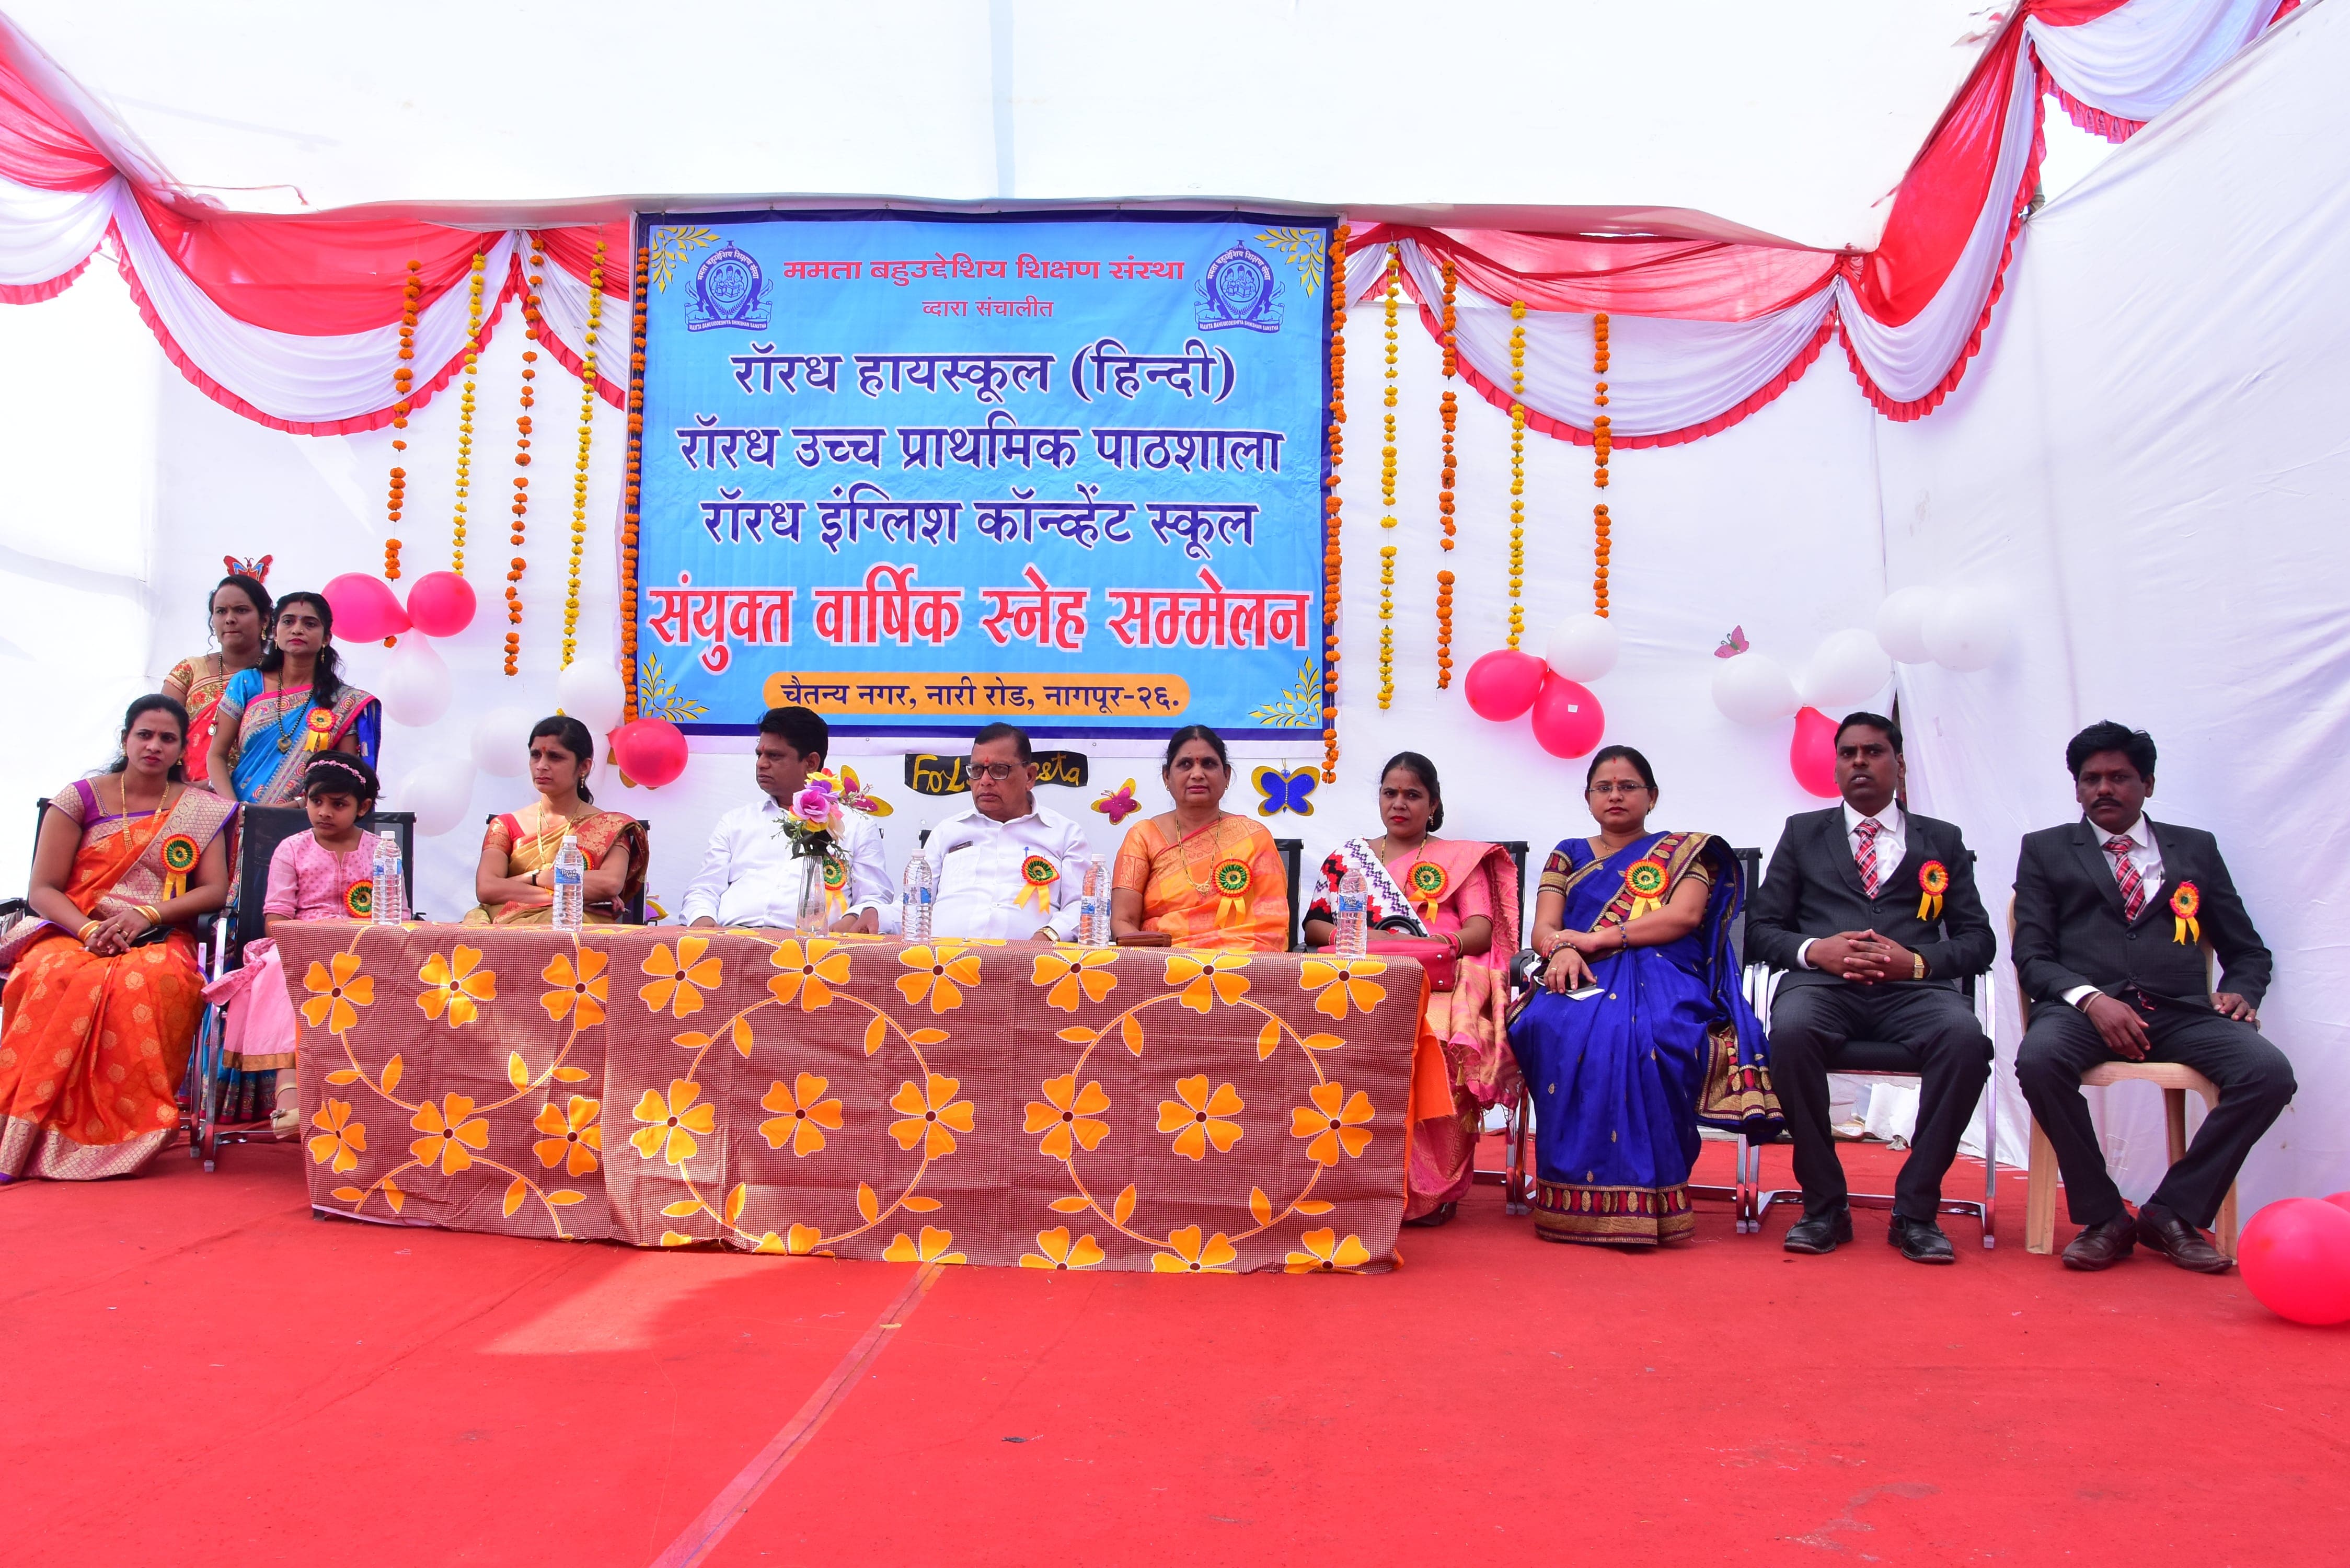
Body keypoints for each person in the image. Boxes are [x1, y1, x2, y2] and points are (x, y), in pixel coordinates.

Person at [2013, 722, 2293, 1274]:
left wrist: (2240, 992)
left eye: (2119, 777)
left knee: (2268, 1074)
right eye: (2090, 779)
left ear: (2148, 783)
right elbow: (2032, 956)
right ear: (2076, 788)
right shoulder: (2045, 849)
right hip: (2082, 1013)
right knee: (2039, 1060)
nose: (2103, 789)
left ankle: (2171, 1213)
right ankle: (2104, 1218)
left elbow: (2246, 949)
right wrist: (2091, 1000)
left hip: (2181, 1012)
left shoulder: (2195, 849)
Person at [1746, 710, 1997, 1264]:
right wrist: (1816, 951)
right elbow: (1762, 929)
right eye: (1848, 753)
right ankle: (1823, 1205)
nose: (1859, 762)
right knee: (1788, 1035)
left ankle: (1916, 1210)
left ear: (1899, 764)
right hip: (1822, 989)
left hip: (1915, 994)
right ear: (1836, 766)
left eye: (1874, 752)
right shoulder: (1802, 832)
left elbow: (1979, 941)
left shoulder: (1942, 839)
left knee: (1965, 1042)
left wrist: (1916, 963)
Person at [1505, 745, 1780, 1246]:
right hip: (1578, 969)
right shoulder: (1568, 852)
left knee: (1652, 1033)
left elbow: (1685, 916)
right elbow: (1544, 926)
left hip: (1665, 971)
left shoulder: (1683, 851)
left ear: (1652, 797)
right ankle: (1568, 1197)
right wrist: (1561, 948)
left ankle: (1653, 1197)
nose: (1616, 796)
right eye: (1604, 788)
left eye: (1628, 786)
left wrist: (1595, 940)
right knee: (1550, 1023)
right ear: (1588, 797)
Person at [0, 695, 234, 1182]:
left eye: (167, 738)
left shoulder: (202, 810)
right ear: (126, 738)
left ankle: (120, 1130)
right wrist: (89, 930)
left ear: (181, 749)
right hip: (74, 930)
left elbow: (215, 890)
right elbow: (43, 889)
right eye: (144, 735)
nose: (154, 746)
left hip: (159, 934)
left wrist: (146, 914)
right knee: (50, 972)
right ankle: (22, 1128)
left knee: (149, 982)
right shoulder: (79, 798)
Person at [1301, 752, 1520, 1225]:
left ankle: (1429, 1189)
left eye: (1413, 795)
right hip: (1363, 976)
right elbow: (1316, 925)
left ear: (1433, 804)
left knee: (1439, 1042)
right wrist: (1375, 941)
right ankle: (1355, 1182)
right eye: (1390, 793)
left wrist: (1433, 947)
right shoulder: (1349, 858)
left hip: (1440, 981)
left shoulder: (1460, 860)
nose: (1399, 804)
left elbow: (1480, 931)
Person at [201, 754, 385, 1130]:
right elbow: (276, 920)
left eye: (339, 804)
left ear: (363, 807)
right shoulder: (292, 848)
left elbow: (395, 914)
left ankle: (376, 1102)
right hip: (299, 945)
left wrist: (355, 939)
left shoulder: (381, 851)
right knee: (284, 975)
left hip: (365, 946)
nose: (325, 812)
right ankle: (289, 1100)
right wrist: (313, 941)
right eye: (317, 801)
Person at [681, 706, 891, 930]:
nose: (761, 763)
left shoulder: (856, 826)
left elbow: (873, 898)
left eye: (774, 756)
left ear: (810, 763)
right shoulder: (736, 822)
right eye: (760, 754)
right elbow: (704, 890)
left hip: (816, 944)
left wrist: (841, 929)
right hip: (732, 938)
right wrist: (703, 924)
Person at [1109, 725, 1289, 952]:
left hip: (1240, 963)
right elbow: (1122, 922)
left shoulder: (1255, 838)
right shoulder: (1144, 836)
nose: (1197, 774)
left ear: (1226, 775)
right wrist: (1154, 961)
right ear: (1167, 777)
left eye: (1209, 764)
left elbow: (1271, 927)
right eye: (1185, 764)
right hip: (1163, 963)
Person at [206, 591, 382, 805]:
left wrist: (294, 807)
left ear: (326, 638)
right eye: (288, 622)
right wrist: (234, 809)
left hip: (305, 818)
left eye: (310, 624)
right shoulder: (246, 683)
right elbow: (216, 755)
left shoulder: (343, 702)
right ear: (275, 633)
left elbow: (346, 774)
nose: (297, 630)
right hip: (237, 811)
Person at [465, 717, 646, 926]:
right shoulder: (504, 826)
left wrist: (534, 878)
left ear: (584, 767)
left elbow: (609, 884)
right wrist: (568, 898)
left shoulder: (610, 827)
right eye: (536, 755)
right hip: (513, 929)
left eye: (555, 757)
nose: (542, 766)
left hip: (581, 930)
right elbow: (487, 888)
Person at [924, 723, 1093, 940]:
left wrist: (1050, 934)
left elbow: (1083, 905)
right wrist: (881, 916)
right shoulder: (947, 832)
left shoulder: (1065, 835)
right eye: (977, 771)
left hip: (1031, 958)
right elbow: (915, 903)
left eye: (999, 770)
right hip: (942, 956)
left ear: (1029, 777)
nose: (985, 781)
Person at [162, 573, 271, 787]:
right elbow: (161, 734)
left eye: (241, 610)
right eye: (221, 611)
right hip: (188, 792)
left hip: (260, 794)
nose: (229, 619)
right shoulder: (190, 671)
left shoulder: (280, 676)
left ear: (265, 619)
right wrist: (184, 787)